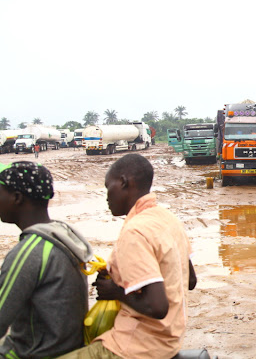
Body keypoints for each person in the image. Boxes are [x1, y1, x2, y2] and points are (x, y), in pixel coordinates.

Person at [62, 154, 197, 359]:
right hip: (170, 340)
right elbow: (190, 280)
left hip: (137, 346)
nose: (106, 197)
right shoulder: (168, 218)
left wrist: (116, 292)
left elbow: (157, 306)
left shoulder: (135, 232)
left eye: (108, 187)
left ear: (124, 183)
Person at [0, 161, 92, 358]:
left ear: (17, 198)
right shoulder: (63, 236)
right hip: (67, 346)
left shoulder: (30, 252)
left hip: (34, 353)